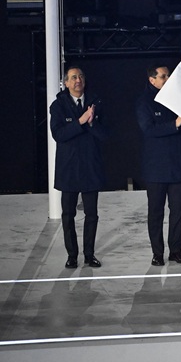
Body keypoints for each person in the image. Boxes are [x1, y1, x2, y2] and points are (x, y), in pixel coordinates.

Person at [50, 65, 110, 269]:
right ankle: (72, 255)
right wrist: (81, 121)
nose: (78, 80)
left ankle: (89, 255)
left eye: (81, 76)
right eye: (74, 77)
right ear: (66, 83)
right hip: (68, 169)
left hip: (91, 167)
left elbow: (106, 135)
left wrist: (92, 124)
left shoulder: (96, 103)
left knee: (91, 214)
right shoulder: (58, 106)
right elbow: (59, 135)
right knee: (68, 215)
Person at [137, 65, 181, 267]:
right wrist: (175, 124)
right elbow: (148, 129)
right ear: (152, 80)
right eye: (163, 76)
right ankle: (157, 253)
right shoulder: (144, 102)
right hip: (156, 168)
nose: (168, 79)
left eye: (168, 75)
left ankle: (176, 251)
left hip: (178, 166)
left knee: (177, 210)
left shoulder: (177, 98)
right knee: (156, 212)